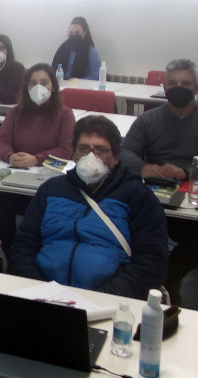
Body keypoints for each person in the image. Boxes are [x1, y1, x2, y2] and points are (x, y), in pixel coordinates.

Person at [11, 115, 168, 299]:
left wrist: (102, 298)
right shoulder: (51, 189)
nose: (90, 156)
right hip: (44, 298)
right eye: (83, 148)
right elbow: (23, 246)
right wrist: (41, 292)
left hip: (107, 301)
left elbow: (150, 263)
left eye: (100, 150)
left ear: (116, 157)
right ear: (74, 153)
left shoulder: (138, 196)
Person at [119, 59, 198, 305]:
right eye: (172, 83)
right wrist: (145, 167)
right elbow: (126, 153)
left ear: (197, 87)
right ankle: (144, 278)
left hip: (194, 197)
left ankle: (169, 279)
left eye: (185, 83)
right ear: (164, 86)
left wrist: (187, 172)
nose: (178, 87)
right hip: (154, 196)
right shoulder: (148, 120)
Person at [0, 63, 76, 266]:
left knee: (34, 213)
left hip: (46, 181)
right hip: (16, 176)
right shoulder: (15, 113)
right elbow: (1, 141)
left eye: (44, 82)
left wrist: (36, 158)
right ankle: (12, 251)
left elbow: (66, 149)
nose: (39, 87)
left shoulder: (64, 114)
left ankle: (29, 255)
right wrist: (10, 156)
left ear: (53, 86)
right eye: (33, 83)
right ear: (26, 88)